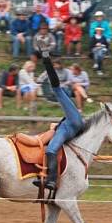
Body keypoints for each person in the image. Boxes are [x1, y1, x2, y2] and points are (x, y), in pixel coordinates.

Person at [35, 54, 85, 191]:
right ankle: (48, 178)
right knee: (50, 149)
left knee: (51, 149)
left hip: (71, 123)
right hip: (68, 126)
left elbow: (55, 84)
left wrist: (46, 61)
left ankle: (50, 179)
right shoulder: (66, 120)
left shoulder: (59, 90)